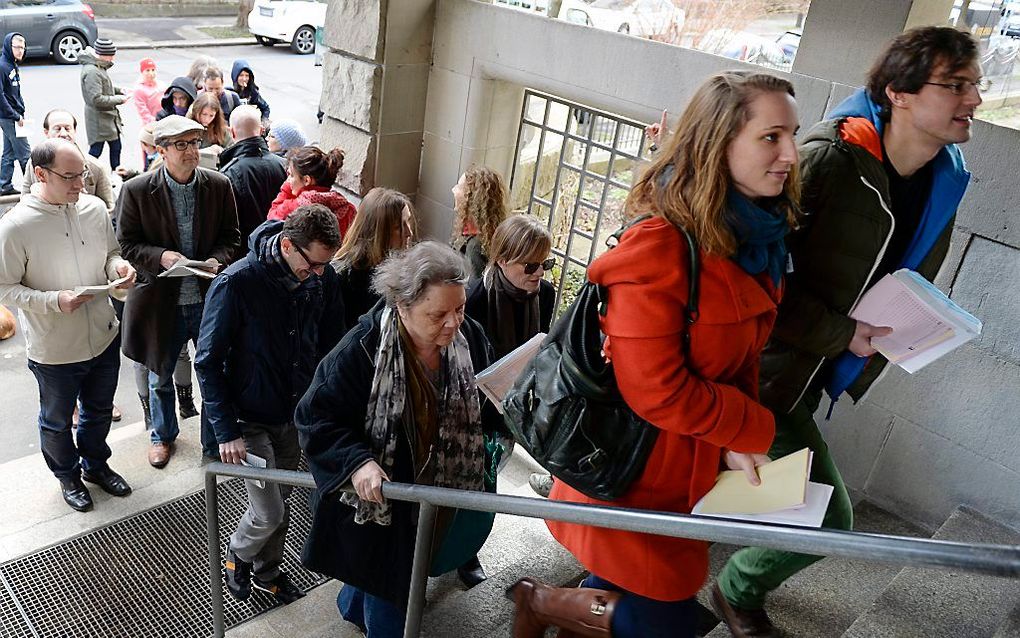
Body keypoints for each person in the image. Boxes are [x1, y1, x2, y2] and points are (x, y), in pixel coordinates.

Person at [712, 27, 982, 638]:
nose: (973, 100)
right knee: (829, 518)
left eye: (975, 85)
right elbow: (750, 285)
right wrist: (841, 334)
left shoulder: (943, 177)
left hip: (811, 373)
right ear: (900, 94)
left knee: (766, 490)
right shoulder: (828, 161)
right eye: (955, 85)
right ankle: (733, 589)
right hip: (757, 370)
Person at [508, 70, 798, 638]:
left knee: (628, 587)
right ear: (719, 145)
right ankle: (539, 601)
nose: (790, 153)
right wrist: (750, 428)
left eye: (791, 133)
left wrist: (727, 441)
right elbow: (655, 387)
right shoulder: (662, 246)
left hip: (681, 466)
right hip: (631, 467)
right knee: (664, 615)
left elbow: (733, 354)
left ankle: (559, 616)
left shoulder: (754, 237)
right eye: (771, 137)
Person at [297, 241, 501, 637]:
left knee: (379, 576)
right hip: (385, 501)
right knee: (393, 588)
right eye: (437, 314)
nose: (453, 324)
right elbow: (315, 416)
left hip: (436, 490)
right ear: (402, 306)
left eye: (459, 309)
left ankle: (353, 606)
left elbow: (485, 394)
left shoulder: (467, 335)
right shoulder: (360, 351)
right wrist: (356, 461)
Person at [196, 205, 345, 606]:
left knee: (282, 502)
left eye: (324, 266)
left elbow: (332, 344)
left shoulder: (322, 276)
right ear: (286, 245)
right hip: (249, 419)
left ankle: (268, 572)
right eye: (312, 264)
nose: (319, 275)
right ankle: (238, 554)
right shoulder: (237, 282)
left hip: (294, 414)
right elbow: (207, 361)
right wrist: (226, 431)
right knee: (268, 511)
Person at [0, 139, 137, 512]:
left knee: (99, 409)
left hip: (105, 334)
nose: (80, 185)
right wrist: (53, 301)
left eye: (84, 175)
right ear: (40, 174)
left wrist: (118, 270)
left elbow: (110, 254)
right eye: (70, 177)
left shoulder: (93, 208)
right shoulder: (15, 227)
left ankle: (96, 466)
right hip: (55, 349)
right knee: (57, 421)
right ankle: (68, 477)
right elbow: (4, 288)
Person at [116, 115, 241, 468]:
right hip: (161, 302)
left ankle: (213, 442)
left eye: (195, 142)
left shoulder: (218, 184)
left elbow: (232, 237)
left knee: (215, 373)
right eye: (181, 144)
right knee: (160, 376)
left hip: (207, 299)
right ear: (162, 150)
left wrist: (217, 259)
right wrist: (161, 256)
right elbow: (126, 243)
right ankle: (162, 435)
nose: (191, 151)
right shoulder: (138, 189)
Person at [465, 214, 555, 360]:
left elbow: (541, 349)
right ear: (502, 261)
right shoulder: (474, 301)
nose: (541, 273)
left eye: (545, 263)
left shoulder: (545, 293)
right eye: (530, 266)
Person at [331, 187, 417, 329]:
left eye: (408, 221)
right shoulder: (343, 277)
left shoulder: (405, 267)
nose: (409, 232)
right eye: (399, 227)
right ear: (378, 231)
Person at [22, 110, 115, 211]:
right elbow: (25, 201)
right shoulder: (34, 164)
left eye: (67, 128)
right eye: (57, 129)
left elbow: (108, 210)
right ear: (46, 132)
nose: (63, 133)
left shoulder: (96, 168)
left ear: (74, 131)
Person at [218, 105, 286, 242]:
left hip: (245, 250)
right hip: (280, 246)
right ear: (261, 130)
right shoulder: (286, 166)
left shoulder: (228, 173)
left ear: (232, 132)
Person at [267, 146, 356, 237]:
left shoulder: (296, 207)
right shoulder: (347, 208)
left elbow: (271, 220)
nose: (288, 179)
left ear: (306, 180)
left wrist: (286, 189)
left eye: (291, 175)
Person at [450, 166, 509, 280]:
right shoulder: (489, 235)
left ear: (471, 197)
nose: (453, 189)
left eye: (459, 187)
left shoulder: (476, 247)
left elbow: (474, 290)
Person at [79, 38, 127, 171]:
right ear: (104, 54)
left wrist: (119, 90)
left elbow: (105, 86)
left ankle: (116, 173)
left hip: (106, 118)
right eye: (111, 54)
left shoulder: (99, 66)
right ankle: (84, 173)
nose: (113, 58)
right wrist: (119, 99)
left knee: (116, 147)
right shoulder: (92, 72)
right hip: (99, 120)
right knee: (96, 151)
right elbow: (97, 99)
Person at [0, 33, 29, 196]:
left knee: (9, 153)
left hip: (14, 114)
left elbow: (14, 93)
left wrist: (21, 110)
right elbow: (1, 96)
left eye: (22, 48)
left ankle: (4, 185)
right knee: (25, 153)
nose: (20, 51)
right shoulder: (2, 66)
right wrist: (15, 115)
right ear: (8, 47)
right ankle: (34, 188)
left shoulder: (12, 65)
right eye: (17, 47)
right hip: (9, 117)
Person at [133, 58, 161, 125]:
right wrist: (154, 123)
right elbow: (143, 112)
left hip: (164, 121)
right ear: (142, 72)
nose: (151, 73)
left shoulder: (161, 85)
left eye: (153, 70)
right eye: (147, 70)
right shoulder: (139, 89)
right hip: (150, 125)